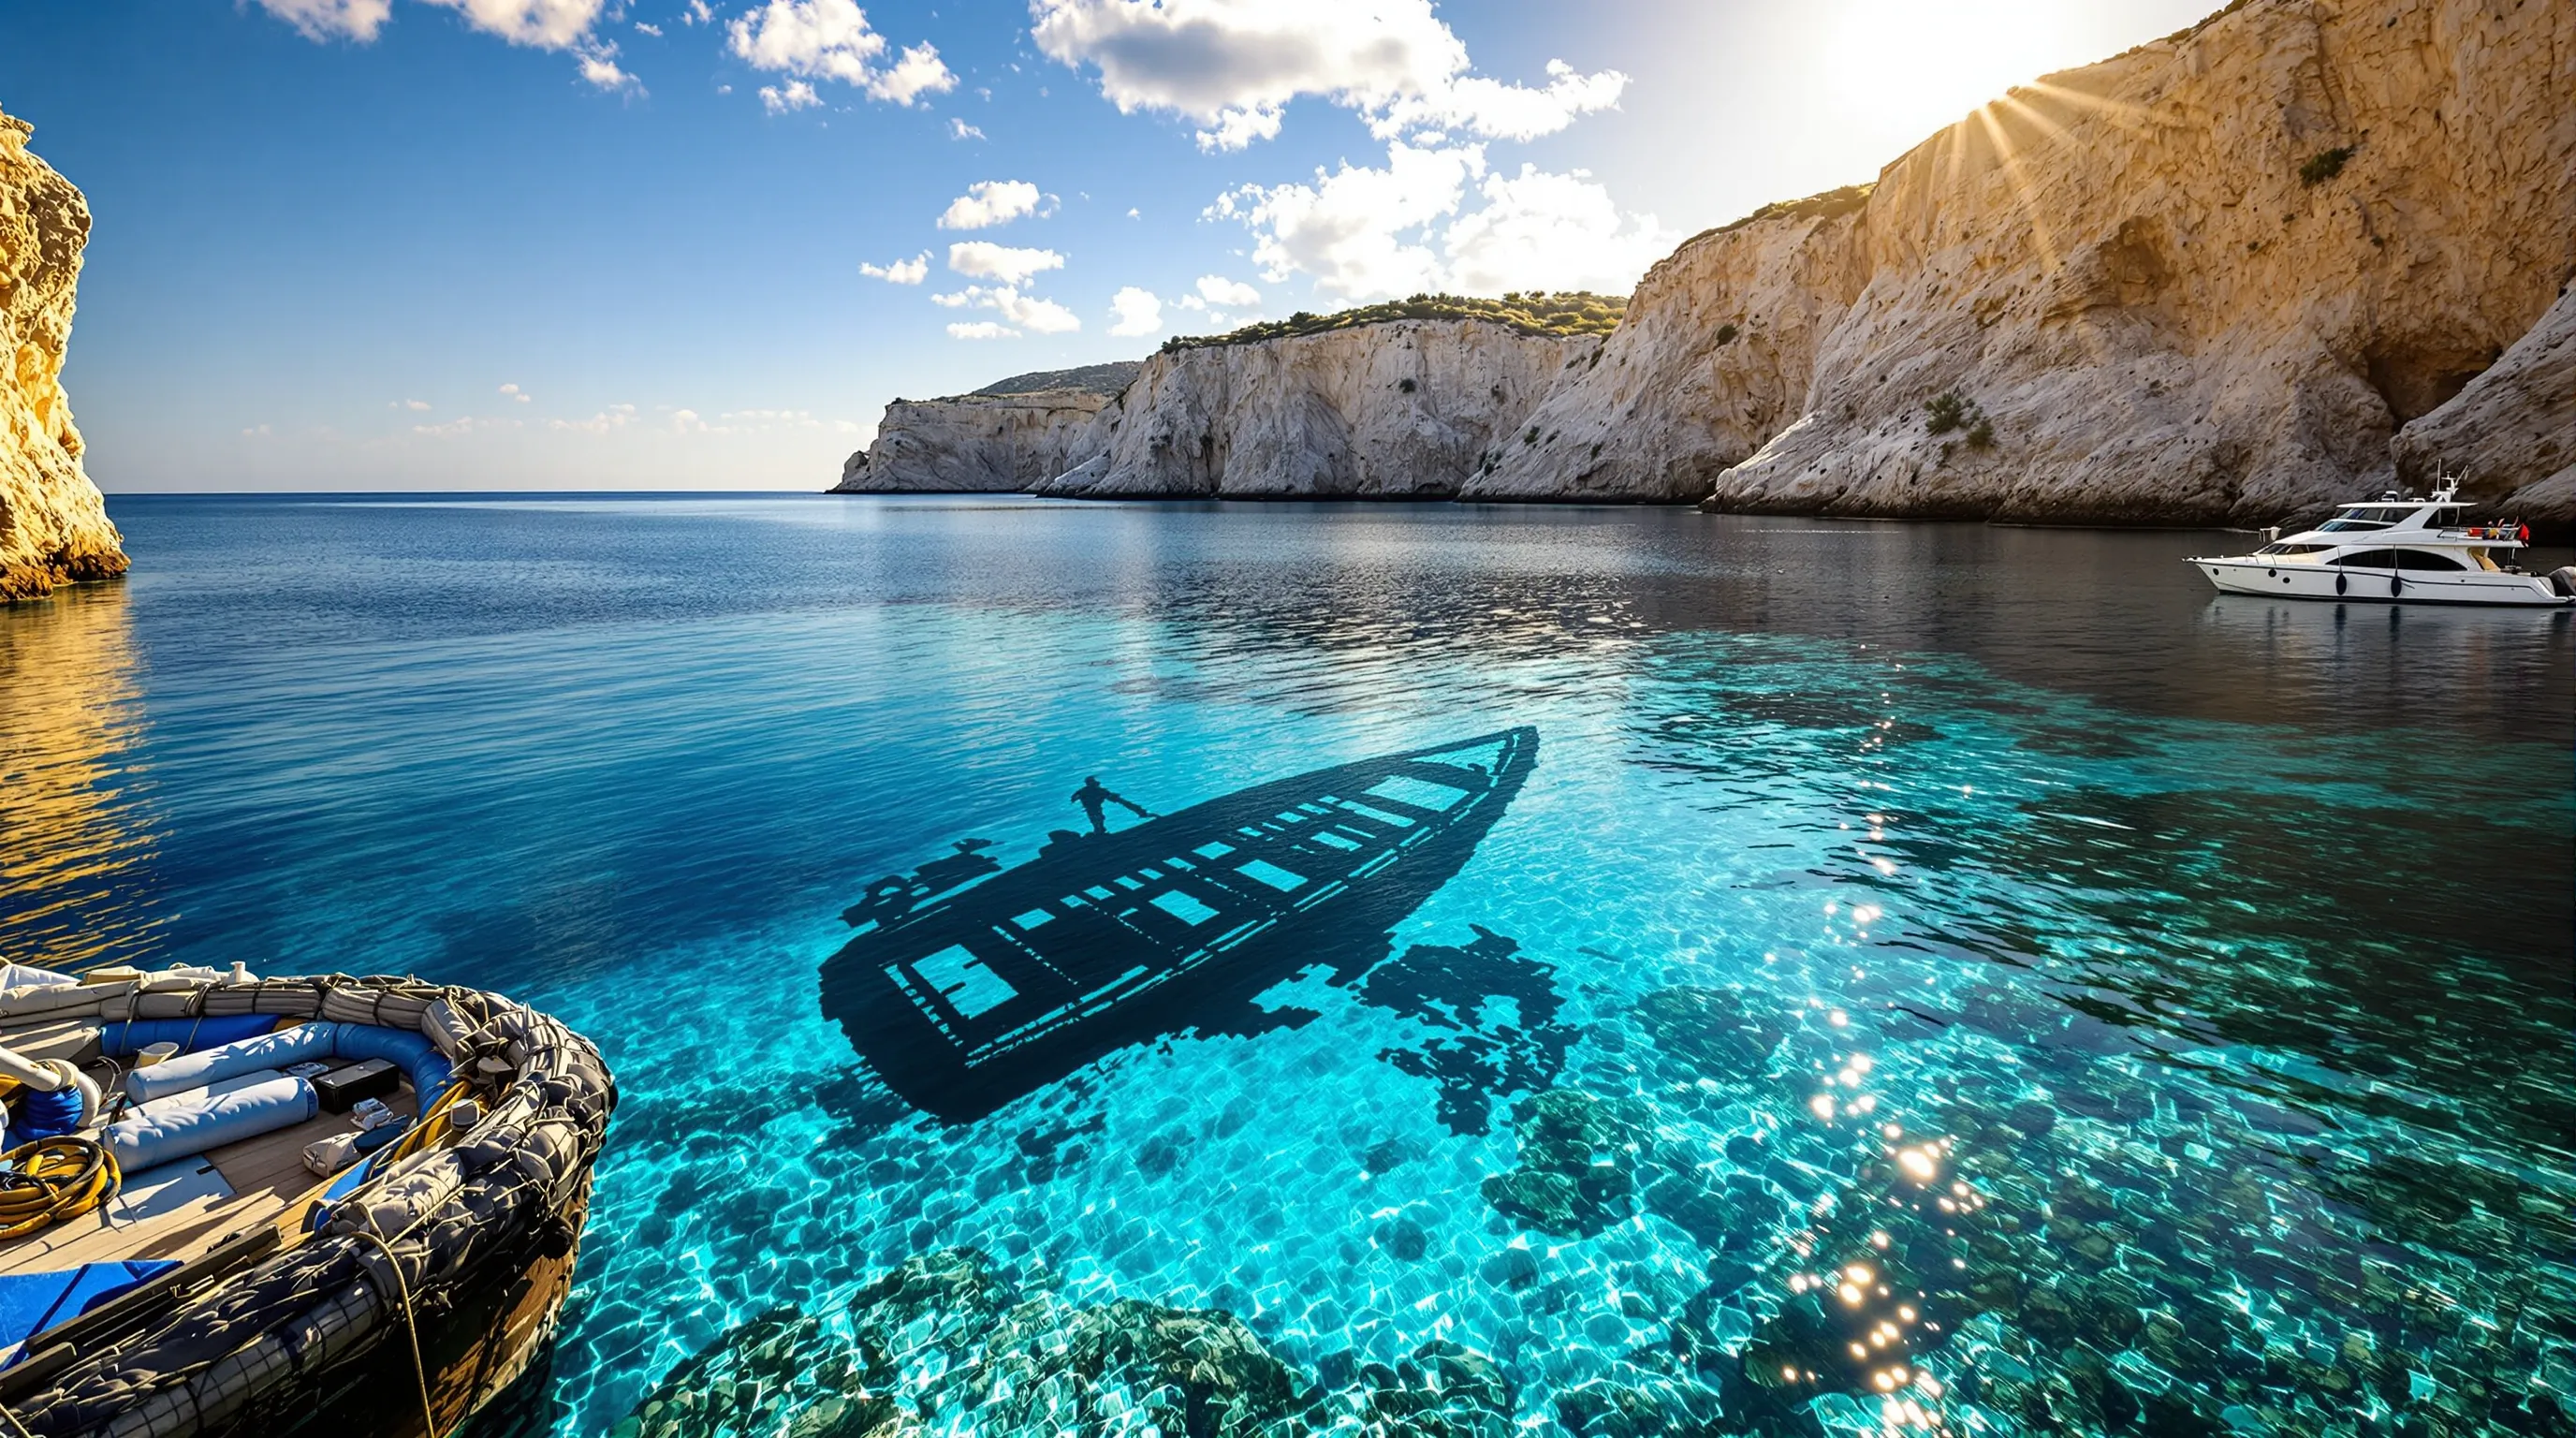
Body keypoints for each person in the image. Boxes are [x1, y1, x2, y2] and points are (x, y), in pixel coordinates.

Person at [1071, 776, 1153, 834]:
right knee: (1097, 818)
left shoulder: (1092, 791)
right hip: (1092, 807)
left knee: (1097, 818)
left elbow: (1074, 798)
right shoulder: (1089, 791)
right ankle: (1099, 832)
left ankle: (1141, 812)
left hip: (1092, 806)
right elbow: (1074, 798)